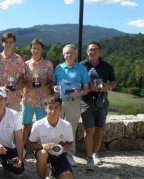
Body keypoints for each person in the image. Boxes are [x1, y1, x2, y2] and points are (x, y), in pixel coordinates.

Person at [80, 41, 117, 170]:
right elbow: (77, 82)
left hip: (102, 101)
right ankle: (89, 156)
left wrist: (108, 87)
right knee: (89, 130)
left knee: (100, 129)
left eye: (95, 49)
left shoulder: (107, 66)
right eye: (90, 50)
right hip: (86, 101)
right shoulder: (81, 66)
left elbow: (113, 82)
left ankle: (95, 153)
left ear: (99, 51)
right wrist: (88, 87)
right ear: (87, 51)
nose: (93, 52)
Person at [53, 44, 90, 166]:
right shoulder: (58, 67)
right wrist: (55, 88)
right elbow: (53, 84)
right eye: (66, 53)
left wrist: (79, 93)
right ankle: (55, 152)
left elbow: (87, 88)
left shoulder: (81, 69)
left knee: (70, 129)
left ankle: (69, 154)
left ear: (76, 55)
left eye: (71, 53)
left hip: (74, 102)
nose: (69, 55)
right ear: (63, 55)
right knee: (56, 126)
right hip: (58, 102)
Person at [29, 95, 74, 179]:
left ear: (61, 108)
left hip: (60, 155)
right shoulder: (37, 125)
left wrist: (61, 148)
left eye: (56, 107)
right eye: (50, 107)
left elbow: (70, 143)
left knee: (68, 177)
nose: (53, 111)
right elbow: (31, 144)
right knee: (42, 154)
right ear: (45, 108)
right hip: (43, 153)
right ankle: (42, 177)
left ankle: (54, 171)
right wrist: (42, 146)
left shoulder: (67, 125)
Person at [22, 39, 53, 147]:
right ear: (31, 49)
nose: (36, 50)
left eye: (38, 48)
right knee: (26, 125)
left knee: (41, 125)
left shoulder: (48, 64)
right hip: (28, 99)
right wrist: (27, 84)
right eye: (34, 48)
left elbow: (51, 81)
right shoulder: (25, 64)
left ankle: (41, 148)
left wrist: (44, 84)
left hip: (43, 99)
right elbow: (21, 80)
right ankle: (23, 148)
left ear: (42, 50)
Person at [0, 32, 25, 112]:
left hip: (14, 97)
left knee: (13, 123)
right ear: (2, 43)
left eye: (11, 42)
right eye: (6, 42)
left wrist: (18, 86)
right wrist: (1, 88)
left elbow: (22, 76)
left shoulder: (19, 59)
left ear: (14, 43)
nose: (9, 44)